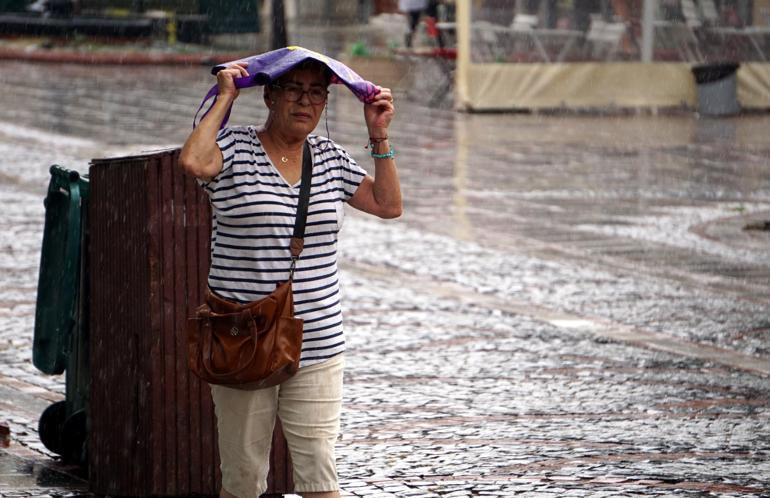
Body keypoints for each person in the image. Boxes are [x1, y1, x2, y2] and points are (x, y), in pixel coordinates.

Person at [179, 55, 402, 498]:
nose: (305, 100)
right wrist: (225, 97)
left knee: (320, 476)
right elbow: (194, 161)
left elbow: (387, 204)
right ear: (270, 95)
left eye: (316, 92)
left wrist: (378, 134)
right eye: (294, 89)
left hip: (317, 340)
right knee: (243, 479)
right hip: (242, 338)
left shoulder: (330, 157)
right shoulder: (236, 148)